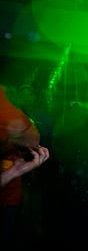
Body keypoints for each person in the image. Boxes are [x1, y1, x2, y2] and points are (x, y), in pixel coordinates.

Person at [0, 84, 50, 249]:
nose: (29, 97)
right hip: (12, 176)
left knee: (24, 204)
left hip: (23, 171)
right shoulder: (10, 116)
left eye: (32, 95)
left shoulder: (29, 116)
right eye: (25, 94)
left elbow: (36, 141)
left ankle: (31, 229)